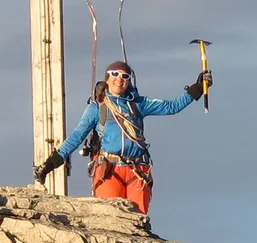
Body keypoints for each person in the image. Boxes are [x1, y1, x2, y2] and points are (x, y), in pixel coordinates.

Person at [34, 60, 210, 214]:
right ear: (107, 78)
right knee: (110, 219)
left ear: (129, 82)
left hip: (138, 170)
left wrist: (197, 88)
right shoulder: (97, 108)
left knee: (138, 222)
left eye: (125, 76)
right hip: (109, 170)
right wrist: (51, 163)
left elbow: (172, 107)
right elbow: (76, 136)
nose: (120, 79)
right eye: (115, 74)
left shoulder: (139, 104)